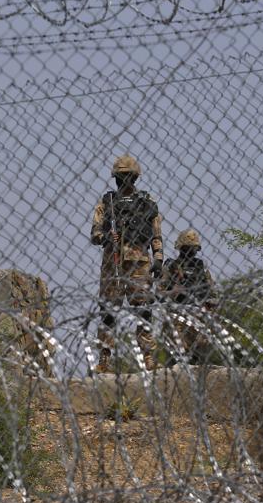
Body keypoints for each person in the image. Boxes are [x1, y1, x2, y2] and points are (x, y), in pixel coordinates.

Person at [90, 154, 164, 372]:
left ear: (135, 178)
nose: (124, 181)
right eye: (121, 177)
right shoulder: (107, 203)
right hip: (112, 263)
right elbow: (95, 232)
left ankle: (148, 357)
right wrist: (105, 237)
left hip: (139, 263)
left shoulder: (147, 204)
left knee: (144, 311)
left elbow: (156, 235)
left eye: (128, 176)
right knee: (108, 312)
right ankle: (104, 360)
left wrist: (158, 259)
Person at [160, 228, 216, 364]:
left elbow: (212, 293)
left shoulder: (200, 267)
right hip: (177, 314)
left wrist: (209, 306)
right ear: (180, 248)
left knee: (198, 352)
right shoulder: (171, 266)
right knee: (180, 352)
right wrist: (174, 291)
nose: (190, 252)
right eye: (187, 248)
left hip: (198, 313)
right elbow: (158, 293)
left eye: (193, 248)